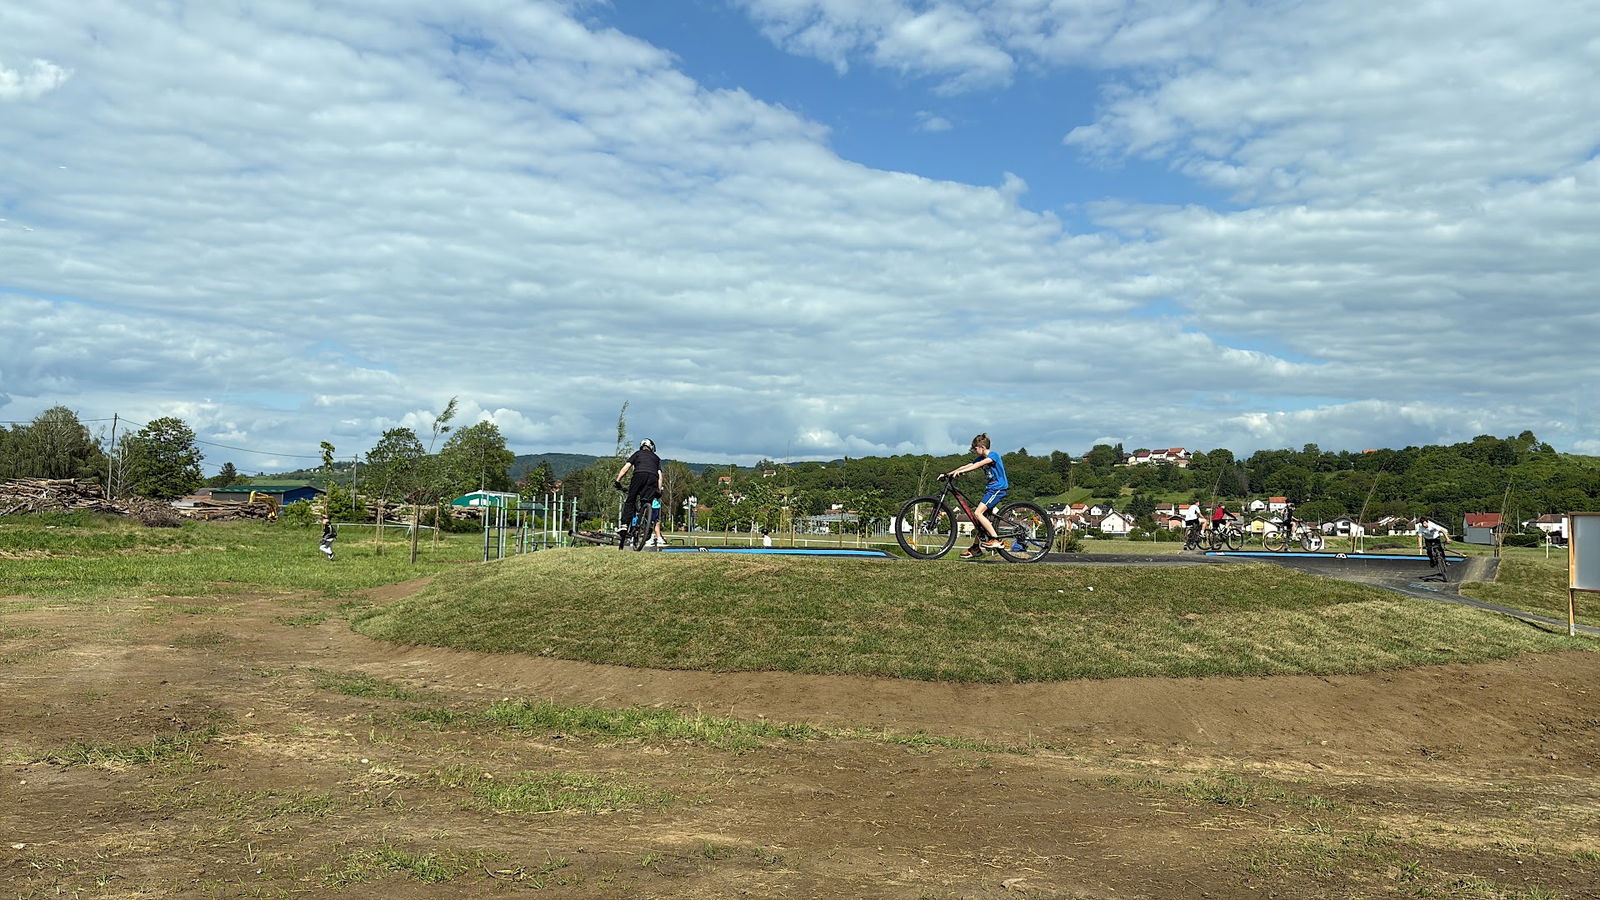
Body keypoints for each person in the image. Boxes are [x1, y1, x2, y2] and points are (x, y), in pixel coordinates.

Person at [944, 433, 1009, 559]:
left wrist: (961, 472)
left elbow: (976, 466)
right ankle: (975, 548)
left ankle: (996, 540)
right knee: (980, 519)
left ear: (982, 447)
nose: (974, 451)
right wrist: (948, 474)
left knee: (978, 513)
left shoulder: (993, 455)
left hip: (998, 488)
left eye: (975, 448)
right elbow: (968, 465)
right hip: (990, 489)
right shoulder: (981, 458)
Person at [614, 438, 664, 550]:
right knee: (646, 501)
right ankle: (646, 524)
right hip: (652, 479)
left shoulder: (637, 454)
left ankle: (624, 525)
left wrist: (617, 481)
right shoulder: (656, 458)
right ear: (651, 448)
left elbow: (625, 468)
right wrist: (659, 490)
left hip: (639, 475)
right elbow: (660, 476)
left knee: (631, 499)